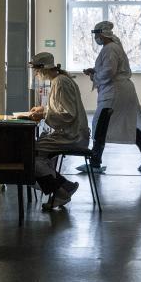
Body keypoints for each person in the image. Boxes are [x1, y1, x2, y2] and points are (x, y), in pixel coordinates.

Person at [81, 20, 141, 173]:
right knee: (128, 125)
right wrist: (94, 70)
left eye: (96, 34)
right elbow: (111, 68)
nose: (95, 37)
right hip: (120, 91)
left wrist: (95, 75)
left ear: (102, 33)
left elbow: (108, 72)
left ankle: (94, 164)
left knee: (101, 124)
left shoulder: (109, 49)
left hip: (115, 92)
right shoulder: (114, 47)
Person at [27, 51, 89, 210]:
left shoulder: (60, 83)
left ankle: (60, 193)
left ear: (43, 69)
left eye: (36, 70)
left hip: (72, 135)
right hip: (71, 133)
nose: (35, 73)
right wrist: (45, 109)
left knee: (30, 157)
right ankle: (65, 186)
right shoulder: (60, 80)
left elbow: (68, 114)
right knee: (35, 154)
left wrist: (43, 114)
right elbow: (62, 108)